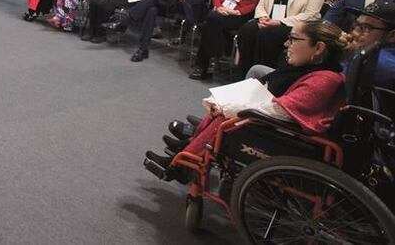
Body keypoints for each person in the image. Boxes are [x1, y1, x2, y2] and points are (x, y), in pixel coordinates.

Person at [148, 20, 347, 181]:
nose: (287, 44)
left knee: (229, 116)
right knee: (232, 103)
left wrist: (234, 109)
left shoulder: (325, 79)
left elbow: (281, 111)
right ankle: (190, 144)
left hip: (292, 136)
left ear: (319, 47)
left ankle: (182, 165)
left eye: (293, 39)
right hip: (284, 123)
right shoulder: (315, 71)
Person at [189, 0, 264, 80]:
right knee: (213, 20)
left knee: (210, 22)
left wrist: (236, 11)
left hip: (240, 15)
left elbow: (254, 3)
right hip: (221, 12)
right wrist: (219, 7)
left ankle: (203, 65)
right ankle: (212, 59)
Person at [344, 2, 395, 89]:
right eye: (357, 25)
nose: (354, 33)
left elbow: (331, 81)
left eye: (366, 28)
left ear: (392, 35)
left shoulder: (380, 63)